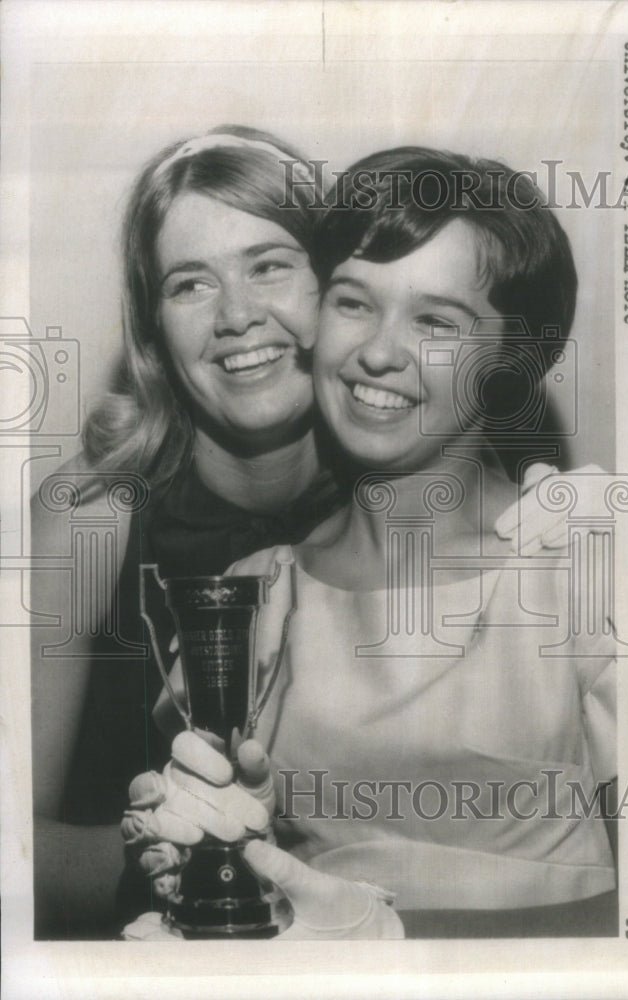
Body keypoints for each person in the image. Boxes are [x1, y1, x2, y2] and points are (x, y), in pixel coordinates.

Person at [32, 129, 581, 939]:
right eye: (189, 284)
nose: (238, 316)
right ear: (152, 326)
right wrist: (179, 860)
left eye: (269, 265)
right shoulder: (91, 516)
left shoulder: (415, 478)